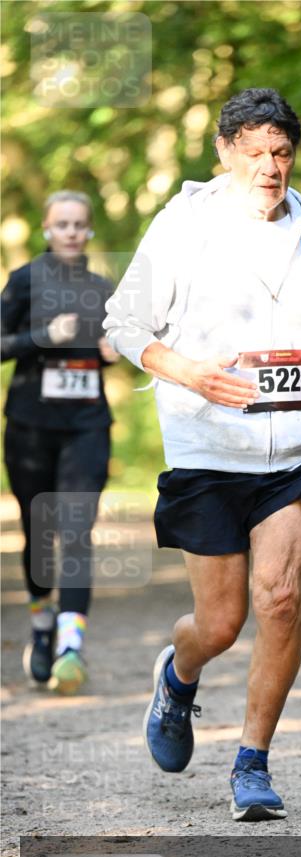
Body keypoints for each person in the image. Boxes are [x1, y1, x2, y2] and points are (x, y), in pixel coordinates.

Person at [103, 87, 301, 820]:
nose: (270, 168)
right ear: (224, 154)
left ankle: (252, 763)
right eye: (254, 155)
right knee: (220, 624)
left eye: (281, 154)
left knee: (280, 599)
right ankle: (177, 679)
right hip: (207, 450)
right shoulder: (182, 228)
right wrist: (188, 371)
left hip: (293, 448)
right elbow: (124, 323)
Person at [1, 191, 119, 694]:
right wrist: (42, 336)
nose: (71, 232)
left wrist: (116, 352)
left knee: (74, 532)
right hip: (29, 427)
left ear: (89, 231)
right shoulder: (25, 282)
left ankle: (71, 647)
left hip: (87, 426)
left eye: (79, 224)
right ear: (47, 230)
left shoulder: (103, 288)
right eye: (61, 224)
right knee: (38, 536)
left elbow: (125, 345)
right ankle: (42, 622)